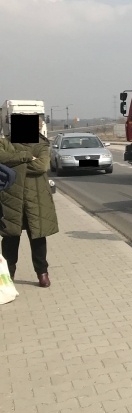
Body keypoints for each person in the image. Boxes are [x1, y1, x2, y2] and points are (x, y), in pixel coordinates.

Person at [0, 114, 58, 287]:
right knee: (10, 239)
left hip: (36, 198)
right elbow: (1, 158)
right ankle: (8, 276)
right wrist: (26, 156)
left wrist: (13, 163)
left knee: (38, 237)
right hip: (11, 198)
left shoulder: (42, 144)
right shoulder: (5, 142)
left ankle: (42, 273)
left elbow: (41, 166)